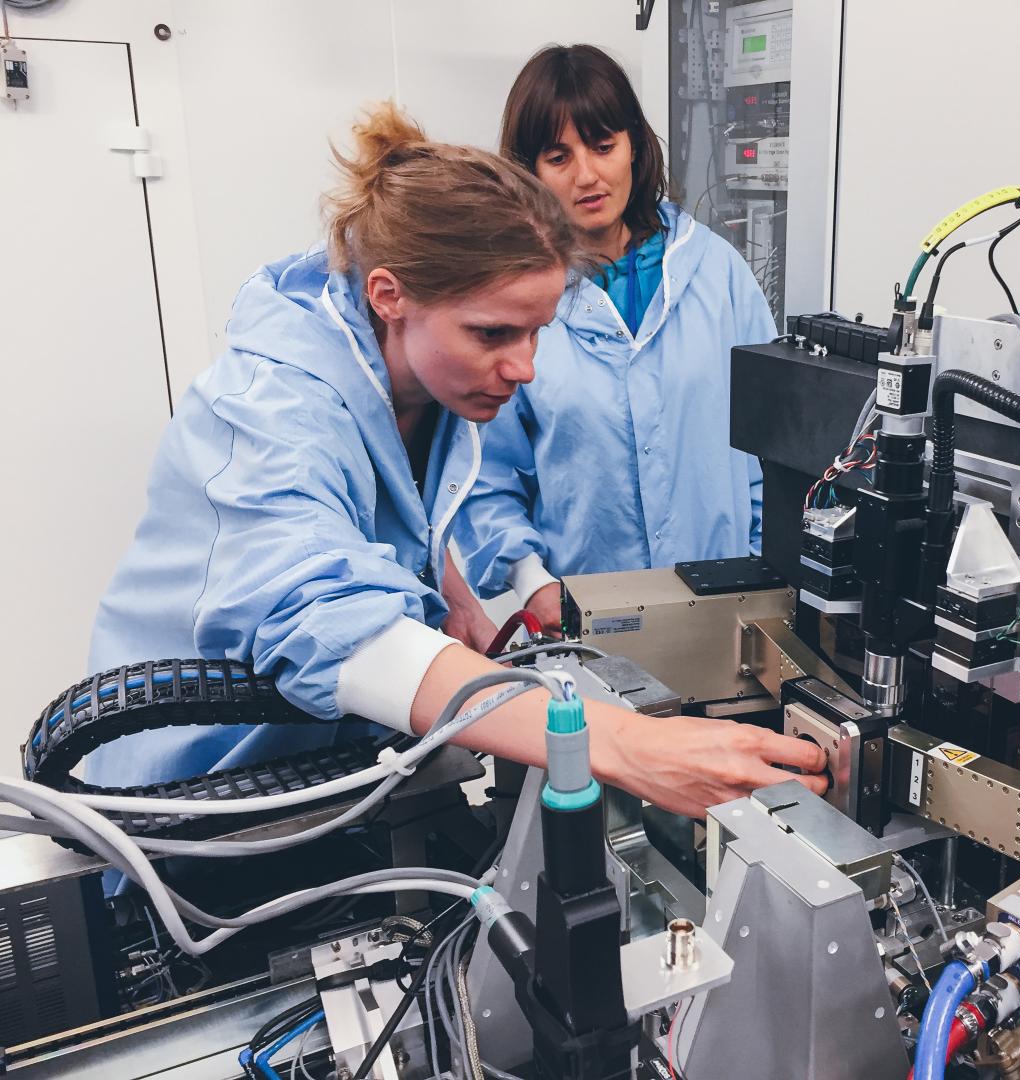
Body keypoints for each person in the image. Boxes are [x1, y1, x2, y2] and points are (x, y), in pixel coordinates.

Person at [83, 103, 824, 819]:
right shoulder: (267, 409)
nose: (524, 367)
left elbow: (382, 503)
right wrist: (629, 745)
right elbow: (321, 615)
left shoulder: (427, 382)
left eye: (537, 331)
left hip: (333, 775)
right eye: (494, 333)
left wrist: (451, 592)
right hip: (195, 800)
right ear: (389, 294)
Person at [450, 45, 773, 633]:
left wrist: (760, 566)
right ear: (529, 171)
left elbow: (771, 448)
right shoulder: (511, 305)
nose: (587, 176)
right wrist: (534, 584)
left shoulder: (718, 273)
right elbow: (482, 476)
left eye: (603, 146)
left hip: (729, 615)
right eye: (558, 156)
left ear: (634, 145)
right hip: (583, 626)